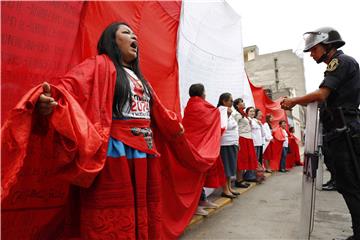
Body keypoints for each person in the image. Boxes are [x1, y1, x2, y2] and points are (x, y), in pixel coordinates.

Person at [2, 22, 185, 239]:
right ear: (112, 40)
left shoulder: (141, 79)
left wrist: (176, 127)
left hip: (144, 154)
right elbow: (69, 86)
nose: (134, 37)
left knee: (142, 214)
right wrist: (49, 99)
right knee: (114, 219)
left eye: (135, 34)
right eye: (127, 33)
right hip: (115, 153)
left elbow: (159, 111)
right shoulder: (99, 65)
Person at [281, 27, 360, 240]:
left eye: (314, 49)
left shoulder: (341, 63)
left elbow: (322, 94)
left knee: (351, 185)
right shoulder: (335, 66)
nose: (311, 53)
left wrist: (293, 101)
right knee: (347, 185)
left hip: (345, 132)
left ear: (327, 46)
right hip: (338, 131)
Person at [185, 83, 219, 216]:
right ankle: (196, 206)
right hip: (198, 147)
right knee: (196, 177)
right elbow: (212, 114)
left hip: (193, 145)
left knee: (201, 175)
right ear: (202, 93)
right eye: (205, 91)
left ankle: (203, 200)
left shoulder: (190, 105)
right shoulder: (201, 106)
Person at [217, 93, 240, 198]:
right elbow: (222, 125)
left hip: (232, 142)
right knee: (226, 167)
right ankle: (225, 189)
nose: (232, 102)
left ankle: (229, 187)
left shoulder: (229, 111)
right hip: (225, 143)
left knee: (231, 167)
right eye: (230, 100)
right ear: (224, 101)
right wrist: (228, 115)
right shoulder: (220, 111)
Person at [232, 98, 256, 188]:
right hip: (242, 138)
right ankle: (238, 180)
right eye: (241, 102)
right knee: (241, 160)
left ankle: (241, 179)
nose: (243, 103)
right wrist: (237, 141)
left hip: (248, 138)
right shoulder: (237, 114)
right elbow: (235, 128)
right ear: (237, 105)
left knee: (246, 159)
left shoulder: (243, 114)